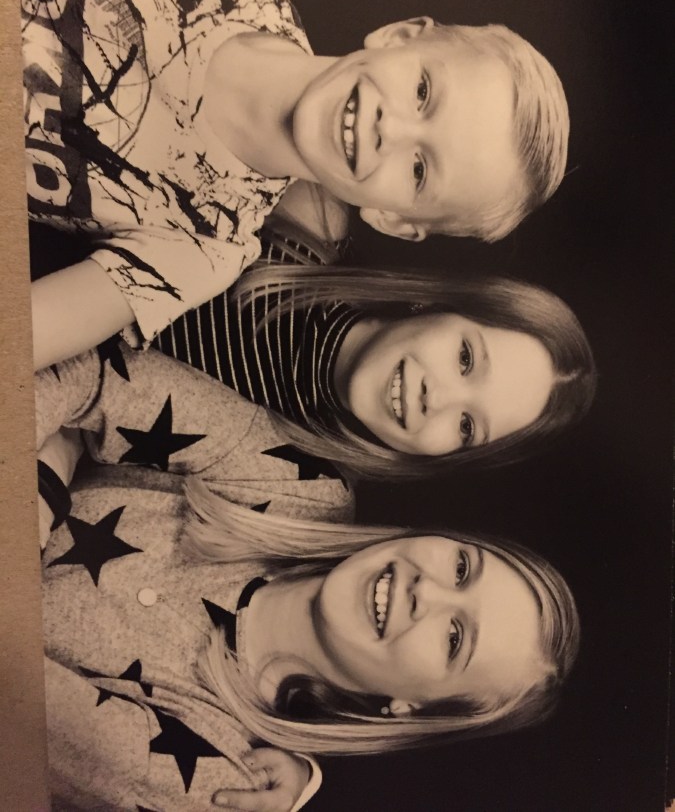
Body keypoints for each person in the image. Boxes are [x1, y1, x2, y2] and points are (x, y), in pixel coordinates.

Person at [36, 344, 579, 810]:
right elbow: (87, 371)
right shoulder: (304, 484)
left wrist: (48, 460)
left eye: (454, 638)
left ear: (411, 708)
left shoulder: (228, 770)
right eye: (461, 568)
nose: (427, 591)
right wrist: (40, 489)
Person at [22, 0, 569, 371]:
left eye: (420, 170)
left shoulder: (205, 247)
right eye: (423, 91)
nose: (392, 129)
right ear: (399, 36)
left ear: (392, 219)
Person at [154, 203, 597, 481]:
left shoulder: (301, 490)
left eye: (467, 427)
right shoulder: (304, 220)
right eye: (465, 359)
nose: (437, 399)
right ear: (436, 304)